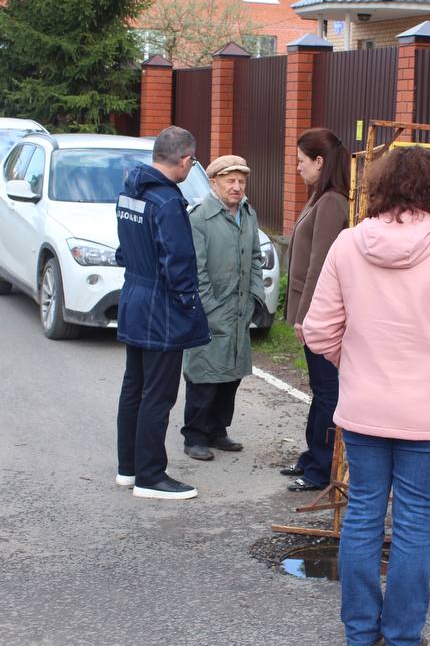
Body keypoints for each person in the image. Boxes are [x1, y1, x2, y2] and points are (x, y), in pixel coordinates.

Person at [304, 145, 430, 646]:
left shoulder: (346, 245)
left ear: (379, 190)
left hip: (363, 408)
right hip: (428, 416)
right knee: (413, 523)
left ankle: (359, 637)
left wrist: (357, 362)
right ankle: (404, 644)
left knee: (363, 514)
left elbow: (318, 330)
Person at [115, 126, 209, 500]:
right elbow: (179, 261)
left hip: (134, 297)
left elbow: (124, 250)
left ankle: (129, 467)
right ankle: (151, 476)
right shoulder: (168, 201)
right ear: (186, 160)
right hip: (162, 307)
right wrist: (189, 305)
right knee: (158, 393)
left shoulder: (130, 191)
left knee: (134, 388)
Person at [180, 155, 265, 461]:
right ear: (213, 182)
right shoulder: (200, 217)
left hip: (241, 307)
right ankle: (195, 436)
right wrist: (210, 309)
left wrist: (256, 295)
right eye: (230, 180)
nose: (237, 187)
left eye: (241, 181)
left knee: (231, 373)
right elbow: (196, 270)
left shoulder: (247, 212)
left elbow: (256, 257)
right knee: (205, 372)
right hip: (211, 310)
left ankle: (218, 431)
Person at [283, 128, 350, 492]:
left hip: (319, 316)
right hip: (311, 312)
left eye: (301, 161)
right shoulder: (319, 198)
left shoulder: (332, 202)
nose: (297, 167)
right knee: (320, 388)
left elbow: (319, 264)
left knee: (327, 392)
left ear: (319, 162)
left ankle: (322, 467)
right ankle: (312, 457)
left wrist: (306, 316)